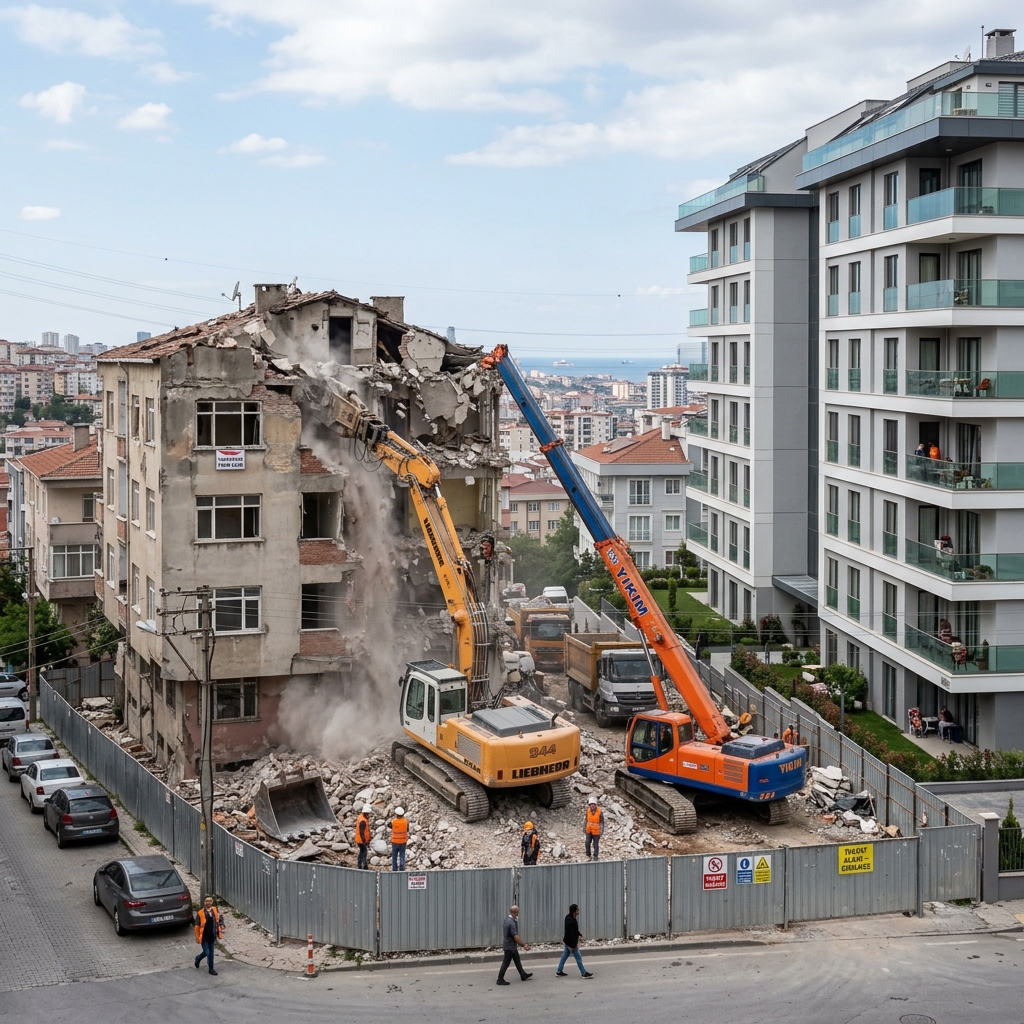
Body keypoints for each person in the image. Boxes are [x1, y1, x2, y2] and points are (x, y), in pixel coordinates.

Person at [496, 906, 533, 985]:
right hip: (510, 947)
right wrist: (523, 945)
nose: (518, 913)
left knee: (517, 960)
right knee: (506, 963)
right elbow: (515, 936)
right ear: (515, 912)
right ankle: (500, 979)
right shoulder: (511, 922)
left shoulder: (506, 920)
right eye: (518, 912)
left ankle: (523, 974)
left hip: (509, 945)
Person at [556, 904, 593, 979]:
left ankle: (559, 971)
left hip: (567, 942)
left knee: (564, 956)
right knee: (578, 957)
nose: (578, 911)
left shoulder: (569, 917)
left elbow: (573, 931)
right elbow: (570, 933)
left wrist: (579, 933)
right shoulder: (572, 921)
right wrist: (572, 945)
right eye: (577, 910)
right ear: (574, 911)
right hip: (571, 943)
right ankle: (584, 973)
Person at [194, 896, 223, 975]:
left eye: (210, 901)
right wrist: (197, 937)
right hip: (204, 936)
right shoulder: (200, 913)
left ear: (212, 902)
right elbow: (197, 926)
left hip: (212, 935)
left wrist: (222, 925)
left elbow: (220, 919)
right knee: (207, 952)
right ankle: (198, 958)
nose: (208, 902)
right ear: (204, 902)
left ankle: (211, 969)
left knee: (211, 953)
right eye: (206, 901)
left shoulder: (215, 910)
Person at [390, 805, 408, 872]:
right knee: (402, 856)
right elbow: (407, 829)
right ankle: (402, 869)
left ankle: (394, 870)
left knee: (394, 857)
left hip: (395, 841)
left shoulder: (393, 821)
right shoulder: (405, 821)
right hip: (403, 842)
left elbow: (389, 826)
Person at [355, 803, 372, 870]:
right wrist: (364, 841)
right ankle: (363, 866)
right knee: (364, 852)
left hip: (359, 839)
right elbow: (361, 832)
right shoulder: (363, 821)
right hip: (362, 840)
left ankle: (360, 865)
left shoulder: (361, 817)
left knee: (362, 852)